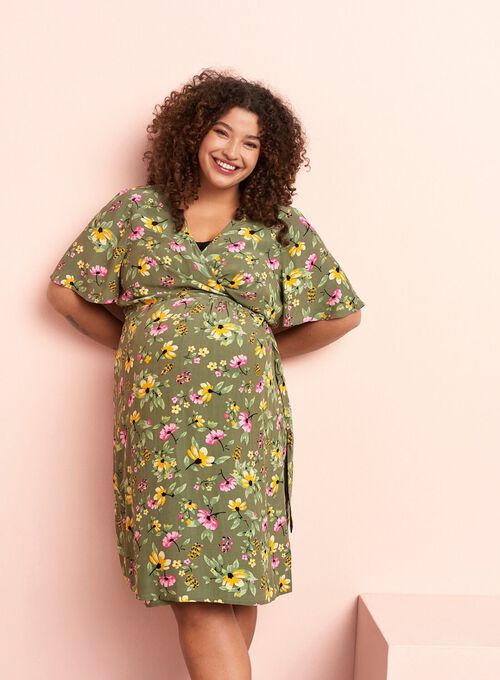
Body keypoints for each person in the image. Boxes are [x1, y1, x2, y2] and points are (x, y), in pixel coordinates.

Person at [46, 68, 365, 680]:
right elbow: (66, 292)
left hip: (242, 424)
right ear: (193, 132)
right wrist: (137, 346)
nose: (233, 151)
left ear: (267, 156)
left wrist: (256, 351)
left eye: (251, 142)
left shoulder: (278, 225)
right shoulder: (137, 209)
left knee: (231, 583)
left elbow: (341, 313)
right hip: (160, 421)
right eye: (222, 132)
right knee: (196, 586)